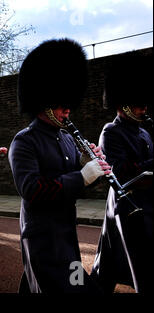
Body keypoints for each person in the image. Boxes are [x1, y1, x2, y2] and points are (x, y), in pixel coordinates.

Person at [8, 38, 111, 293]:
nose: (67, 111)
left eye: (69, 105)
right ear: (44, 102)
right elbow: (31, 189)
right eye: (61, 105)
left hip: (66, 232)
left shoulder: (67, 139)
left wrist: (93, 168)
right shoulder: (24, 141)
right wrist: (83, 177)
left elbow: (80, 181)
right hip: (41, 236)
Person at [91, 54, 153, 293]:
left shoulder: (144, 132)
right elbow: (122, 172)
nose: (144, 107)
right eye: (138, 103)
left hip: (146, 204)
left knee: (108, 263)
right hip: (127, 208)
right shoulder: (111, 132)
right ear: (123, 104)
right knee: (142, 264)